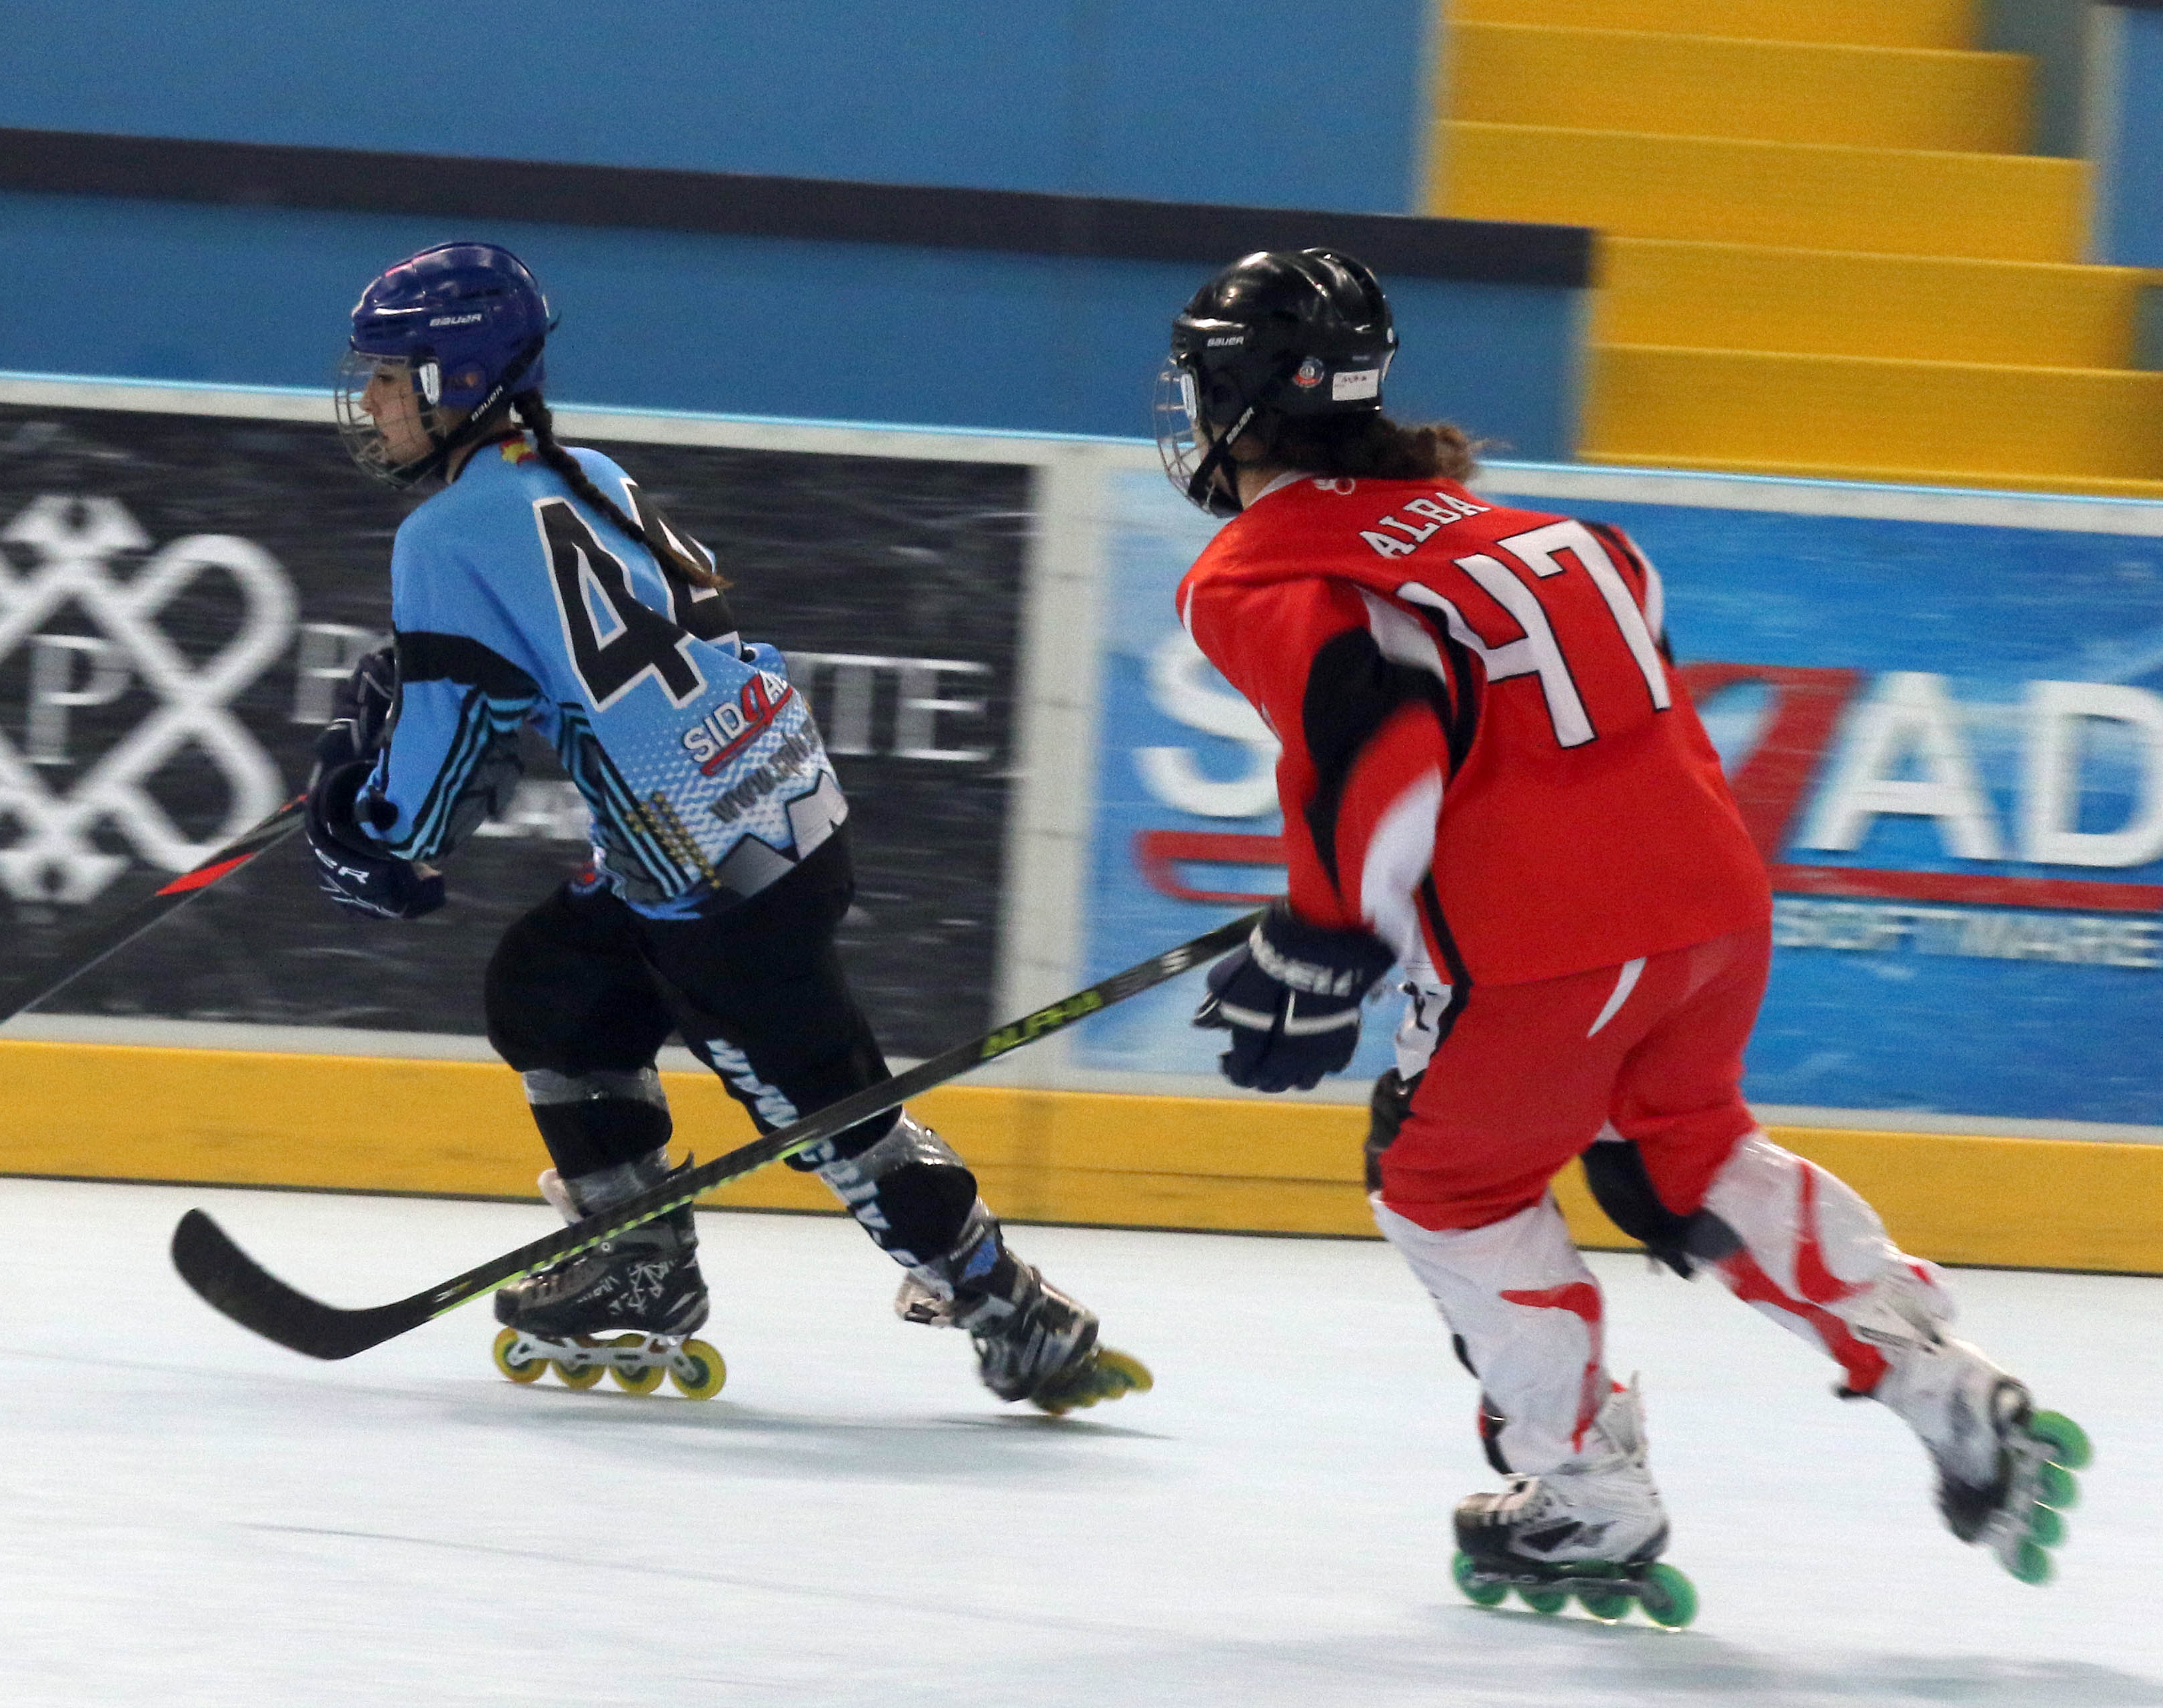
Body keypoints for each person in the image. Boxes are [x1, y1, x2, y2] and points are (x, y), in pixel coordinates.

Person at [1159, 248, 2091, 1607]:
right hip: (1710, 907)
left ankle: (1585, 1490)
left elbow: (1391, 731)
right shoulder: (1541, 531)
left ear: (1233, 406)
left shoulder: (1255, 566)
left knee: (1445, 1185)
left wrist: (1333, 930)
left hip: (1553, 948)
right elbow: (1592, 660)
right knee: (1677, 1156)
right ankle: (1936, 1376)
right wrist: (1367, 896)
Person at [306, 239, 1149, 1414]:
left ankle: (1009, 1302)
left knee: (826, 1109)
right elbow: (544, 676)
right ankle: (639, 1263)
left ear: (458, 379)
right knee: (552, 984)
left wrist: (376, 830)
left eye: (393, 377)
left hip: (708, 876)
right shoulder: (577, 471)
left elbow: (446, 752)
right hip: (770, 817)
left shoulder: (442, 536)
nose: (373, 402)